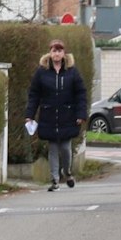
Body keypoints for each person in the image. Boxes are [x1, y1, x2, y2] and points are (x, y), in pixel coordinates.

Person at [26, 39, 87, 191]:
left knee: (66, 148)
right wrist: (30, 115)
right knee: (53, 148)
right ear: (50, 53)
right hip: (49, 116)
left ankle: (67, 172)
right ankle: (55, 180)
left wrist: (81, 114)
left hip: (68, 115)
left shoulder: (72, 72)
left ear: (64, 53)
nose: (57, 54)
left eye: (59, 51)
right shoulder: (42, 72)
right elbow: (34, 95)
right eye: (54, 50)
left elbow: (81, 94)